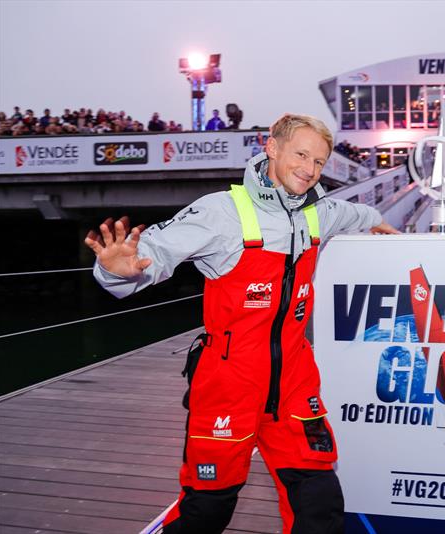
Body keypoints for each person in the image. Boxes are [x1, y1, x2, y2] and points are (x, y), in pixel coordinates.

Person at [85, 114, 398, 534]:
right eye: (301, 154)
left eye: (320, 162)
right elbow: (151, 255)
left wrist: (376, 220)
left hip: (294, 382)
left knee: (320, 503)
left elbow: (352, 212)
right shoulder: (222, 212)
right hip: (229, 385)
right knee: (208, 510)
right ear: (272, 148)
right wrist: (118, 270)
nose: (309, 169)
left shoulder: (319, 212)